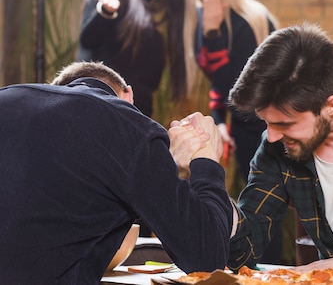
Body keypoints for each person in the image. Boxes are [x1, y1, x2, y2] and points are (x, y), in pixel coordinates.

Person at [175, 22, 333, 271]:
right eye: (267, 122)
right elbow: (242, 249)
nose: (271, 136)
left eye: (285, 123)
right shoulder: (276, 147)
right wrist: (206, 169)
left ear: (331, 105)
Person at [0, 61, 232, 283]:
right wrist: (206, 160)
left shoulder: (8, 99)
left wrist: (164, 164)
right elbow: (207, 258)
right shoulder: (129, 125)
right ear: (128, 96)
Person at [184, 0, 279, 182]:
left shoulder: (249, 20)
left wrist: (213, 33)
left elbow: (238, 88)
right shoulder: (200, 19)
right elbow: (218, 82)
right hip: (241, 123)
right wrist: (219, 122)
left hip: (268, 126)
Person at [77, 0, 196, 118]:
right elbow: (87, 41)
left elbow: (149, 83)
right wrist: (106, 11)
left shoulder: (160, 20)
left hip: (132, 115)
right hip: (96, 106)